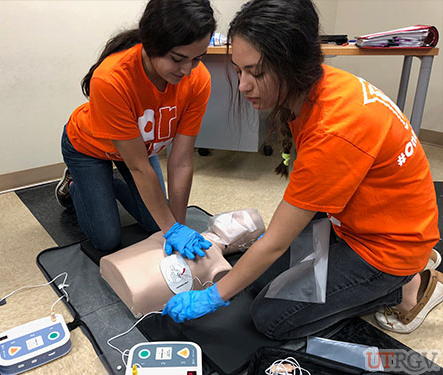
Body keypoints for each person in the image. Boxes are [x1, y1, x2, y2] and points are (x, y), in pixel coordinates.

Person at [162, 0, 443, 338]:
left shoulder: (334, 127)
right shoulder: (320, 87)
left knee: (270, 318)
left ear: (293, 63)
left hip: (386, 248)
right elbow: (304, 200)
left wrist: (212, 296)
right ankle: (386, 272)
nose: (242, 86)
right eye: (238, 70)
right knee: (260, 280)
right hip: (356, 219)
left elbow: (276, 244)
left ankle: (406, 286)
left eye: (257, 72)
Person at [55, 0, 215, 257]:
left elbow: (181, 161)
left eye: (197, 59)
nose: (187, 70)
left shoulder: (198, 79)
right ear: (152, 44)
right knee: (106, 239)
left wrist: (177, 226)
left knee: (157, 224)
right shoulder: (111, 79)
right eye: (178, 59)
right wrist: (171, 228)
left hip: (140, 148)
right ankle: (77, 183)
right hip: (89, 148)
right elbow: (139, 167)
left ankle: (103, 186)